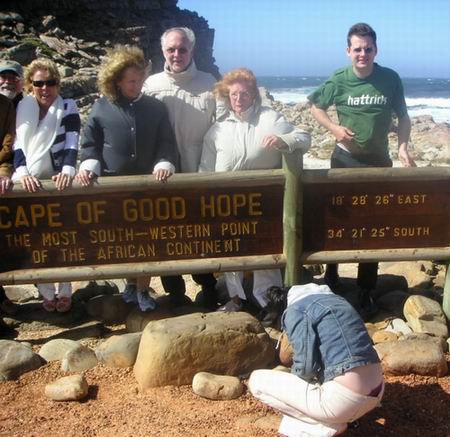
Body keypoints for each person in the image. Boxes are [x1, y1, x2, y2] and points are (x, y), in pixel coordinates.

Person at [308, 23, 416, 318]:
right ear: (348, 51)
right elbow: (314, 105)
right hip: (345, 161)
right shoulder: (339, 80)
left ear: (375, 50)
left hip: (379, 163)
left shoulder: (390, 78)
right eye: (357, 49)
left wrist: (403, 147)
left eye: (368, 49)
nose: (363, 54)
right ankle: (331, 274)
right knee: (338, 220)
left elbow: (403, 116)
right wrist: (334, 128)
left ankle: (366, 288)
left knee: (374, 226)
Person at [76, 45, 178, 313]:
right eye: (132, 81)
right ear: (117, 81)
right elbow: (90, 145)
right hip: (114, 187)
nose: (138, 85)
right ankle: (130, 284)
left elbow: (167, 142)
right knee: (123, 239)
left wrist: (165, 162)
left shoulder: (155, 107)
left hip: (147, 188)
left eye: (140, 79)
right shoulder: (100, 108)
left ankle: (143, 289)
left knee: (146, 240)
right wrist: (89, 167)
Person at [199, 68, 310, 312]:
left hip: (263, 202)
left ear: (254, 95)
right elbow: (204, 170)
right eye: (234, 95)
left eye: (245, 94)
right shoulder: (217, 129)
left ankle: (268, 301)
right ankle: (236, 299)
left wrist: (284, 141)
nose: (239, 99)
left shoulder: (270, 118)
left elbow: (304, 137)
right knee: (231, 252)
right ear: (227, 96)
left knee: (265, 252)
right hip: (227, 203)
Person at [143, 27, 219, 309]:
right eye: (171, 49)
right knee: (165, 232)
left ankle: (207, 285)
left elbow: (222, 125)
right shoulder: (151, 85)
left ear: (192, 50)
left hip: (199, 171)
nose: (177, 54)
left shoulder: (209, 83)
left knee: (201, 231)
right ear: (163, 52)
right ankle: (173, 291)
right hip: (161, 175)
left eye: (182, 49)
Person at [249, 283, 384, 437]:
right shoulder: (340, 302)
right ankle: (341, 417)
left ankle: (324, 426)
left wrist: (294, 380)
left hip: (344, 402)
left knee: (256, 380)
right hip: (376, 392)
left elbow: (306, 368)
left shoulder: (296, 310)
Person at [12, 58, 80, 312]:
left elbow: (72, 141)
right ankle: (46, 292)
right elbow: (17, 144)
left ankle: (64, 290)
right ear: (30, 85)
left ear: (57, 84)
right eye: (39, 83)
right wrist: (23, 173)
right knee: (35, 239)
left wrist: (67, 170)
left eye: (50, 83)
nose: (45, 88)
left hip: (56, 181)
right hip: (28, 182)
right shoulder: (23, 108)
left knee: (60, 238)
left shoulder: (67, 105)